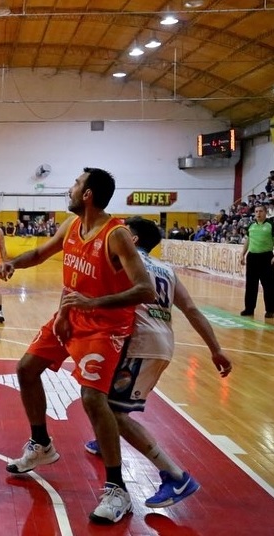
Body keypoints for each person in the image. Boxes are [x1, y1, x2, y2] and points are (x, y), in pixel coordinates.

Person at [0, 167, 154, 524]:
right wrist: (12, 263)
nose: (70, 188)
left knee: (92, 398)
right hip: (70, 315)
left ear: (88, 194)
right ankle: (41, 444)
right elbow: (39, 253)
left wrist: (92, 303)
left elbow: (146, 289)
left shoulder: (116, 235)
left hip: (105, 326)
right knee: (26, 369)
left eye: (76, 184)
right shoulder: (71, 226)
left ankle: (117, 489)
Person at [81, 217, 233, 508]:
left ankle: (176, 476)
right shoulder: (166, 269)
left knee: (112, 411)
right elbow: (191, 309)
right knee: (104, 399)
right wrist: (215, 349)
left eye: (124, 233)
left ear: (133, 239)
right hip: (162, 341)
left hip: (140, 343)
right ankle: (105, 440)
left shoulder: (125, 259)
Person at [239, 205, 274, 319]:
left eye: (261, 211)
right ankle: (249, 309)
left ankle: (270, 310)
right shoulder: (251, 225)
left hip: (266, 257)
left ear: (265, 212)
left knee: (268, 285)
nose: (258, 213)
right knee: (250, 284)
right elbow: (248, 240)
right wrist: (242, 254)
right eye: (256, 211)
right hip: (252, 257)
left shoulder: (271, 225)